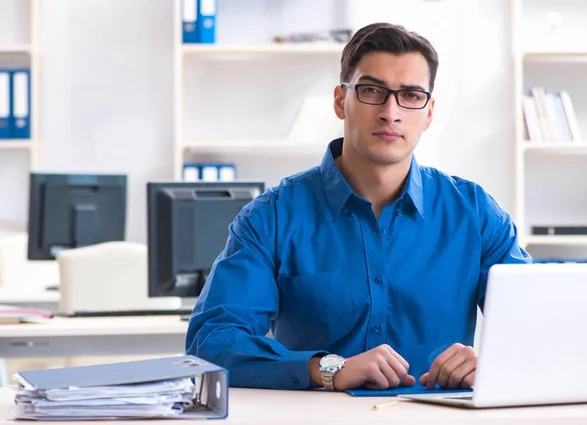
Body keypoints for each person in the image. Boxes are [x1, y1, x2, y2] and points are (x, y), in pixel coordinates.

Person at [185, 22, 534, 392]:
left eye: (411, 96)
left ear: (429, 112)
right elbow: (212, 343)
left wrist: (496, 362)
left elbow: (540, 321)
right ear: (340, 101)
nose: (390, 112)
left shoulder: (474, 215)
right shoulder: (271, 217)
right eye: (372, 91)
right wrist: (327, 368)